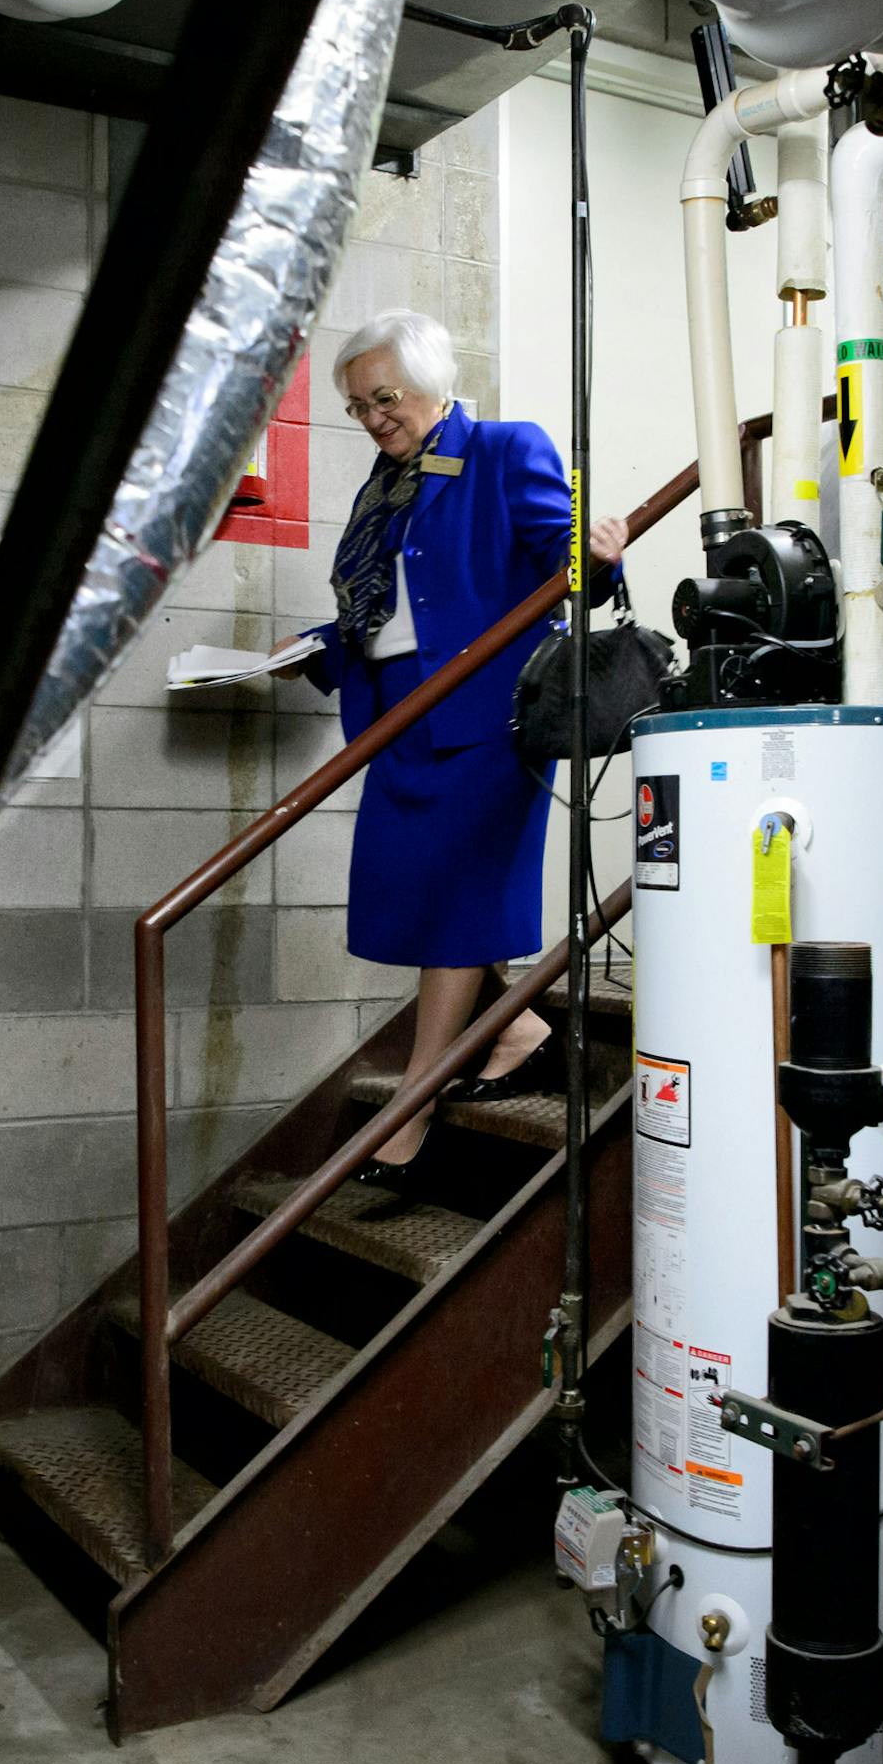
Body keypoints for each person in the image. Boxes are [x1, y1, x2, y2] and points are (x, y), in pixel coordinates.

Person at [274, 308, 627, 1175]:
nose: (372, 417)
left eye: (383, 397)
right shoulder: (381, 489)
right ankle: (524, 1029)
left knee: (459, 902)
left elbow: (563, 553)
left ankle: (413, 1103)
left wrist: (601, 556)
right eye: (357, 406)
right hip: (398, 719)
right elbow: (390, 608)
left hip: (485, 718)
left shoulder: (507, 449)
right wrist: (315, 650)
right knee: (417, 892)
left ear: (434, 380)